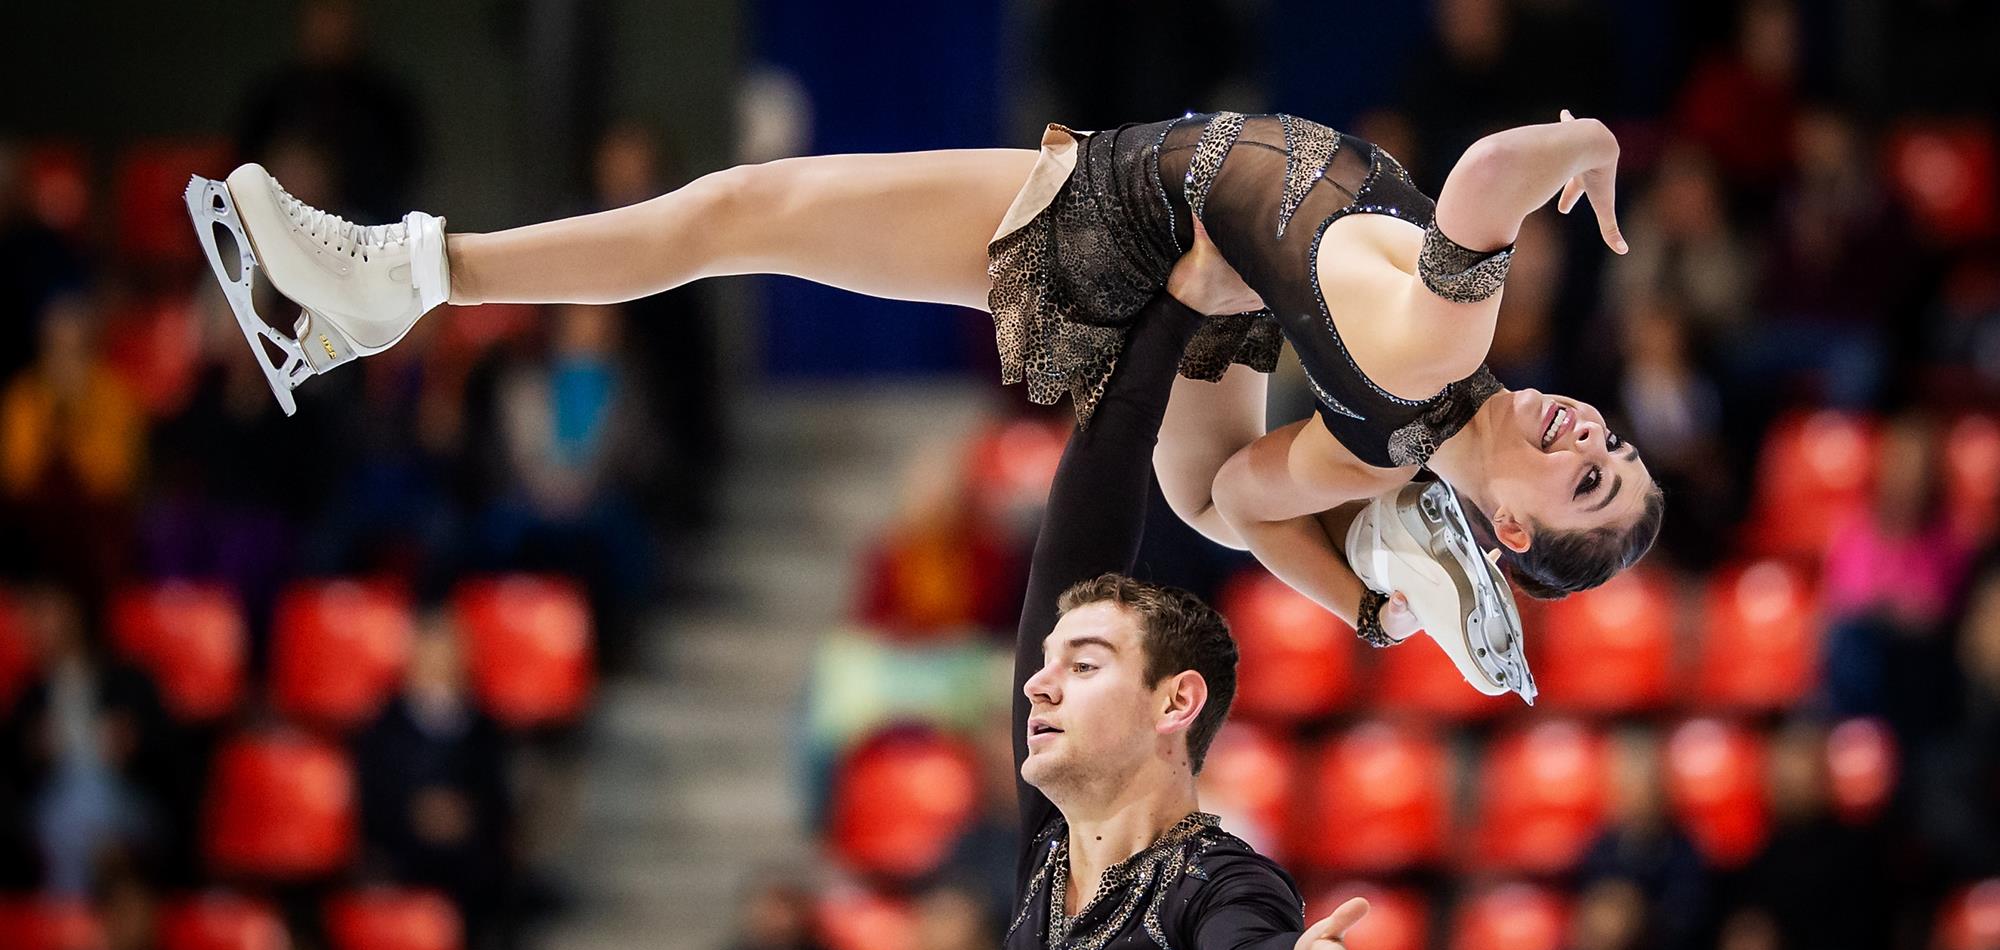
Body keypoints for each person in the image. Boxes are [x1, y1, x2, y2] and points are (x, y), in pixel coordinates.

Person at [186, 107, 1661, 694]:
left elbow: (1484, 180)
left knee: (741, 211)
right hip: (1210, 296)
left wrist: (1581, 143)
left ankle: (401, 278)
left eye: (1589, 481)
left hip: (1124, 219)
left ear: (1514, 529)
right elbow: (1227, 498)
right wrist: (1365, 600)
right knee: (1212, 494)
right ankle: (1395, 589)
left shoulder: (1436, 358)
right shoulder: (1388, 433)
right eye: (1617, 446)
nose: (1595, 436)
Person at [978, 231, 1365, 950]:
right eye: (1048, 661)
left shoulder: (1215, 882)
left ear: (1175, 702)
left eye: (1084, 663)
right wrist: (1172, 312)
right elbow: (1072, 542)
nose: (1037, 684)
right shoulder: (1051, 848)